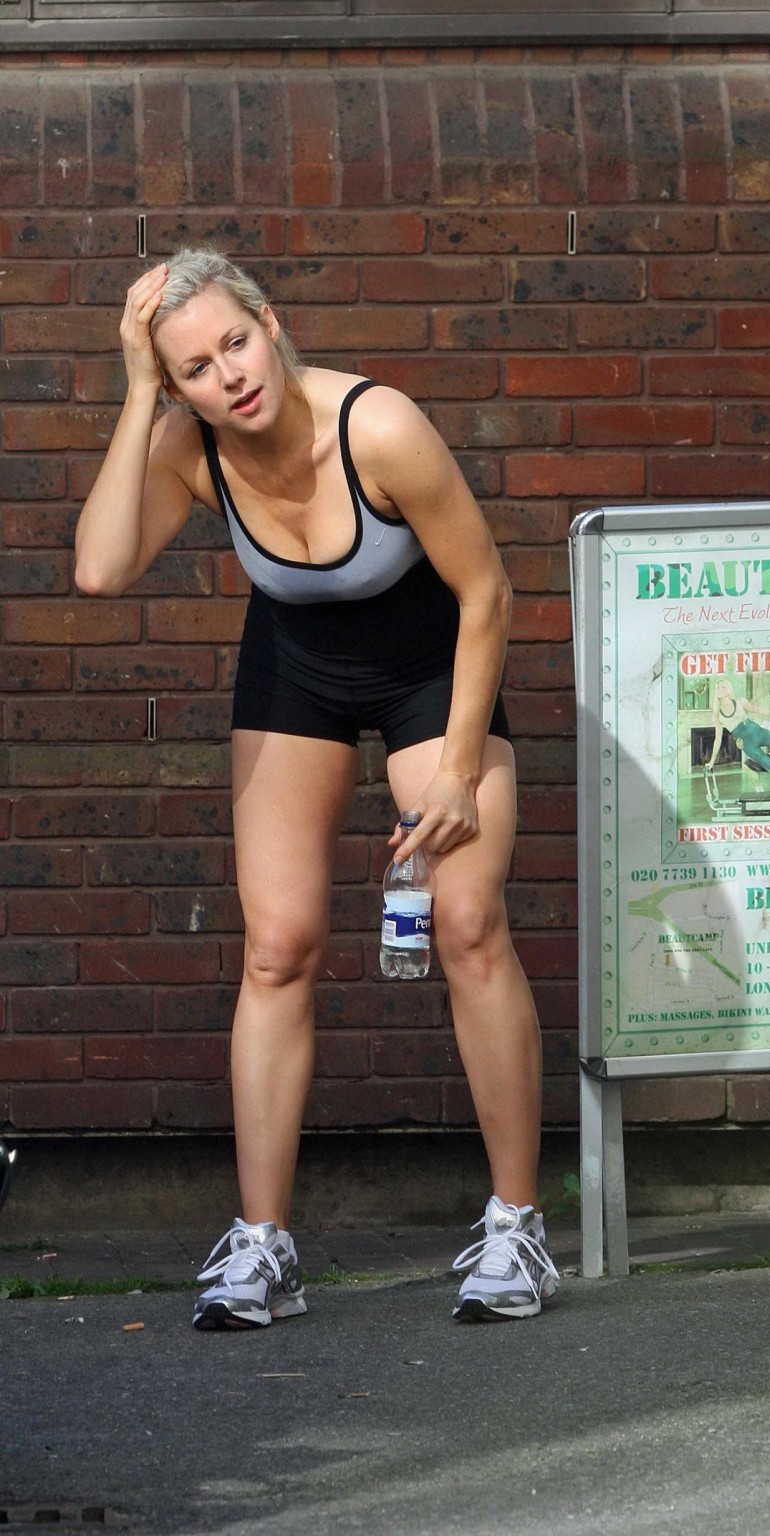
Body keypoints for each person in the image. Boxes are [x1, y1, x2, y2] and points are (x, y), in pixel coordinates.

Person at [74, 249, 559, 1328]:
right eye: (194, 367)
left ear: (271, 324)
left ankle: (517, 1228)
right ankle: (262, 1248)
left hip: (434, 663)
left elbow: (486, 589)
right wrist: (139, 390)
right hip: (295, 666)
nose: (228, 378)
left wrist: (460, 763)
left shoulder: (375, 427)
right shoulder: (188, 446)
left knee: (466, 920)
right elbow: (100, 570)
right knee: (277, 944)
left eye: (234, 344)